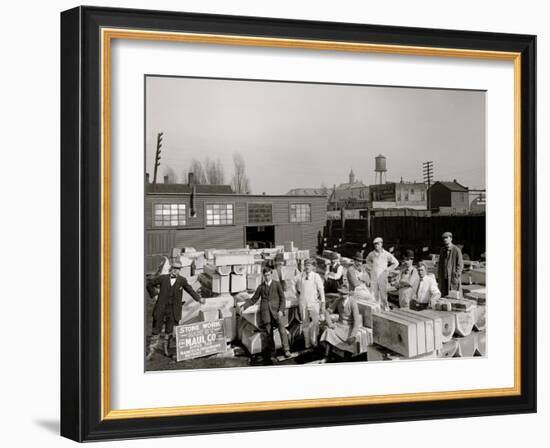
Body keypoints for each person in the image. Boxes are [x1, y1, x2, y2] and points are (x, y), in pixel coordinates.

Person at [146, 261, 205, 359]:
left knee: (169, 330)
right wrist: (155, 294)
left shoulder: (182, 280)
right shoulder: (162, 278)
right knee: (156, 330)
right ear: (171, 269)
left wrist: (199, 299)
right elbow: (149, 284)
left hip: (173, 310)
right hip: (161, 308)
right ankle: (151, 351)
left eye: (177, 269)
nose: (175, 270)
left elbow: (190, 290)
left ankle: (166, 350)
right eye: (174, 268)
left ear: (180, 270)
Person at [242, 267, 291, 359]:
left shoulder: (276, 284)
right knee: (269, 334)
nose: (267, 277)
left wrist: (281, 310)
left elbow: (282, 299)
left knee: (282, 331)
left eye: (268, 275)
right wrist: (244, 306)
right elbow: (253, 299)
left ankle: (286, 350)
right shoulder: (261, 287)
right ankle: (272, 352)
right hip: (266, 314)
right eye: (265, 275)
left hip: (277, 313)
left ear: (271, 274)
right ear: (263, 276)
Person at [319, 287, 362, 362]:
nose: (343, 295)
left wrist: (353, 335)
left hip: (349, 327)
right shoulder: (338, 300)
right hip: (339, 325)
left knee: (348, 341)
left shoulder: (352, 302)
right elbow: (327, 311)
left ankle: (346, 359)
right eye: (341, 293)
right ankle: (327, 356)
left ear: (348, 293)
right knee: (328, 332)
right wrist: (330, 324)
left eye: (345, 294)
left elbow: (356, 320)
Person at [295, 259, 326, 348]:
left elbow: (321, 290)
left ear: (312, 267)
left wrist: (323, 303)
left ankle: (314, 341)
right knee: (305, 323)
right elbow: (293, 284)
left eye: (309, 265)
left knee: (315, 322)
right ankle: (307, 343)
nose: (307, 267)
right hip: (303, 302)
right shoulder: (301, 276)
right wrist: (297, 296)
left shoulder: (316, 276)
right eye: (306, 265)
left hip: (313, 303)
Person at [365, 237, 399, 310]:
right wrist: (370, 269)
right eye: (375, 244)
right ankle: (376, 310)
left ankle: (385, 310)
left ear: (381, 244)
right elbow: (367, 261)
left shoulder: (386, 254)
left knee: (383, 295)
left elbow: (396, 263)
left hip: (382, 277)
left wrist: (388, 269)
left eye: (378, 244)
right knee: (374, 294)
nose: (376, 245)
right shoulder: (372, 254)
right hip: (374, 277)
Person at [437, 231, 464, 297]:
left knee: (454, 296)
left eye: (446, 238)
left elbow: (460, 265)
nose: (445, 239)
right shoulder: (442, 250)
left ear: (451, 239)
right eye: (443, 238)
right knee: (444, 295)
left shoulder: (456, 250)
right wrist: (439, 276)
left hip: (452, 278)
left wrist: (456, 275)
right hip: (444, 278)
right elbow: (440, 264)